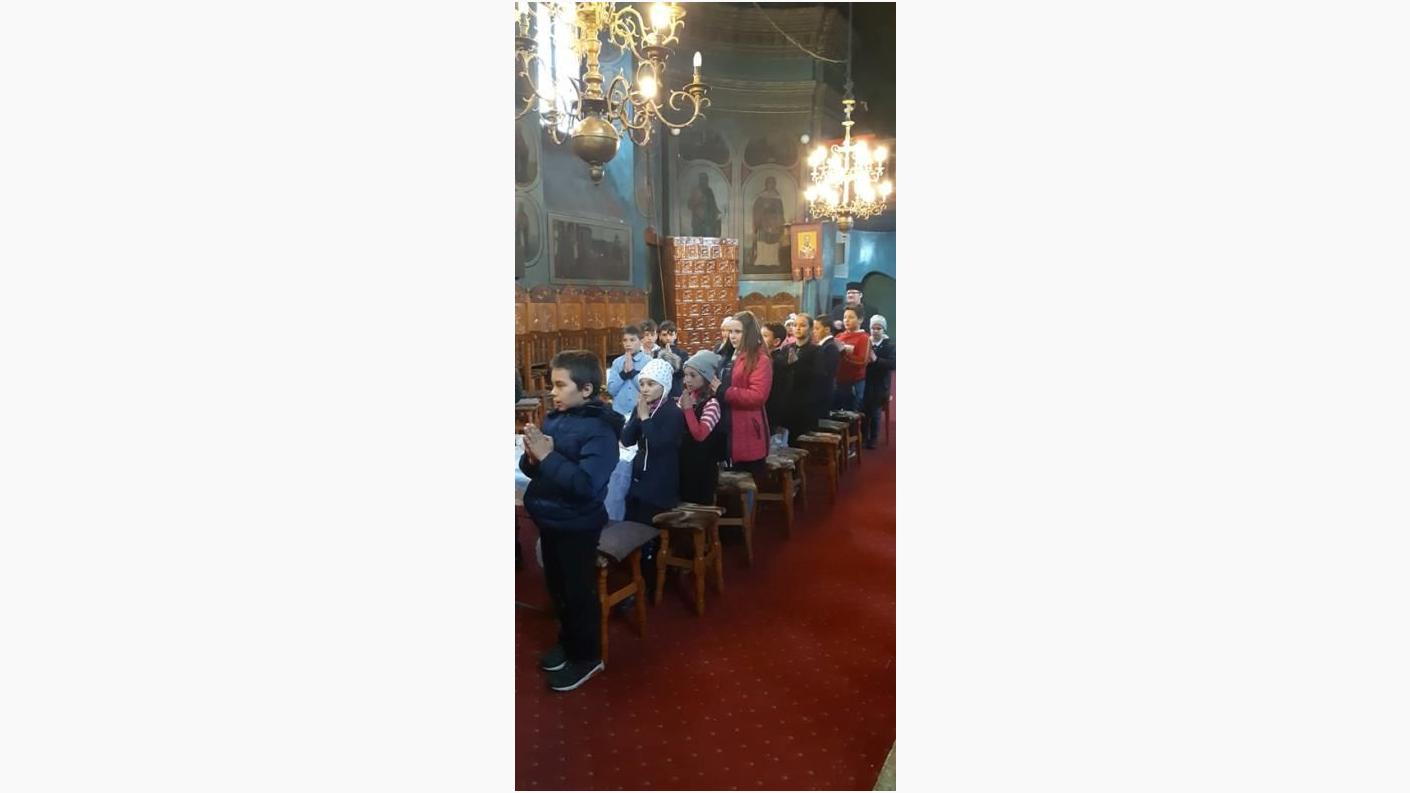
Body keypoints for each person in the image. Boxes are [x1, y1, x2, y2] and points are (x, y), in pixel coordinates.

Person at [519, 350, 625, 692]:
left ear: (586, 389)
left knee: (578, 594)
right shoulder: (555, 418)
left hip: (578, 524)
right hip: (551, 518)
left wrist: (548, 456)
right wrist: (532, 457)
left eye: (560, 385)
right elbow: (537, 470)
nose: (552, 392)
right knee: (558, 589)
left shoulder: (601, 431)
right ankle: (568, 642)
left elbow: (585, 486)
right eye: (552, 384)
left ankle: (587, 657)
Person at [620, 358, 684, 600]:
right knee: (631, 523)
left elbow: (658, 445)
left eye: (651, 384)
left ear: (664, 386)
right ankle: (634, 577)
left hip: (660, 481)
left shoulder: (672, 413)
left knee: (648, 531)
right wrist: (636, 417)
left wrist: (645, 419)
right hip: (641, 479)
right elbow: (627, 440)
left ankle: (648, 583)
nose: (645, 389)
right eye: (642, 383)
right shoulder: (643, 408)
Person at [715, 311, 773, 481]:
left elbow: (758, 396)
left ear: (749, 333)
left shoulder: (760, 359)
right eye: (730, 331)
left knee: (748, 480)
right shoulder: (726, 355)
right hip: (724, 421)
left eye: (737, 332)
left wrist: (724, 391)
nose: (732, 336)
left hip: (746, 426)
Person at [676, 351, 726, 506]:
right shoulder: (688, 396)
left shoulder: (712, 403)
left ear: (706, 377)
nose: (687, 380)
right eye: (685, 375)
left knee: (699, 505)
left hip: (702, 468)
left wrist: (687, 409)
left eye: (693, 375)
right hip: (684, 462)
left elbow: (700, 434)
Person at [780, 312, 820, 440]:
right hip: (786, 401)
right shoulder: (786, 348)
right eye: (795, 325)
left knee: (801, 439)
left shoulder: (816, 350)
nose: (797, 328)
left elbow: (818, 375)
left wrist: (796, 364)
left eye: (802, 325)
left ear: (810, 329)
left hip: (805, 403)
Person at [863, 314, 896, 448]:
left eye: (879, 328)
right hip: (865, 381)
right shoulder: (866, 342)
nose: (875, 331)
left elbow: (893, 364)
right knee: (863, 410)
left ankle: (873, 438)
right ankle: (863, 436)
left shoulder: (890, 345)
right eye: (873, 328)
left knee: (874, 411)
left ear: (884, 330)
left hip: (880, 385)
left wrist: (876, 359)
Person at [606, 325, 652, 419]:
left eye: (632, 340)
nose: (628, 344)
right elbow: (611, 390)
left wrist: (632, 372)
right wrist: (623, 374)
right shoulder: (617, 362)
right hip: (619, 412)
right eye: (625, 340)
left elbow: (648, 390)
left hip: (640, 413)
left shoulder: (648, 362)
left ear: (641, 341)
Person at [833, 306, 872, 411]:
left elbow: (862, 362)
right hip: (837, 382)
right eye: (845, 317)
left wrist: (843, 352)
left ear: (860, 319)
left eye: (851, 317)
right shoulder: (839, 336)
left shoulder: (864, 338)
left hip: (853, 384)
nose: (846, 320)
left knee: (850, 414)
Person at [761, 322, 792, 445]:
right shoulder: (767, 358)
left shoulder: (778, 361)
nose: (760, 339)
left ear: (776, 341)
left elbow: (778, 392)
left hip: (773, 413)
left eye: (765, 336)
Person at [811, 316, 841, 426]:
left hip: (823, 391)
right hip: (821, 391)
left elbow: (826, 372)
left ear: (827, 329)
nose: (814, 332)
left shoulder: (830, 347)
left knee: (821, 424)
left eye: (817, 328)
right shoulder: (823, 345)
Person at [656, 321, 687, 398]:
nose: (668, 338)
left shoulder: (682, 353)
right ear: (659, 336)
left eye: (671, 334)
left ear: (675, 335)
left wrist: (671, 358)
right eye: (664, 335)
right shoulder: (656, 353)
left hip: (676, 392)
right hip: (660, 394)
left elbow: (682, 373)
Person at [688, 172, 722, 237]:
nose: (704, 181)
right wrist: (699, 200)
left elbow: (713, 203)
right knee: (697, 239)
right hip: (698, 221)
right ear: (700, 180)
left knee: (709, 238)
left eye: (705, 179)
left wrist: (717, 211)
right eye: (702, 179)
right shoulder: (696, 191)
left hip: (708, 221)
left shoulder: (709, 191)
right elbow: (690, 205)